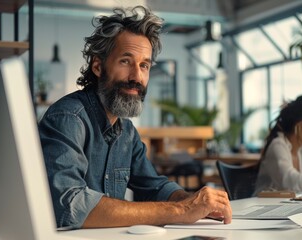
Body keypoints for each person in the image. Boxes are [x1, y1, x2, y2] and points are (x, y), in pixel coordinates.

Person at [38, 6, 231, 229]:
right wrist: (183, 210)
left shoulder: (126, 131)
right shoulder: (68, 118)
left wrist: (196, 203)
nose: (137, 77)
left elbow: (155, 187)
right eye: (125, 61)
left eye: (144, 65)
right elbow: (70, 206)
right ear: (98, 67)